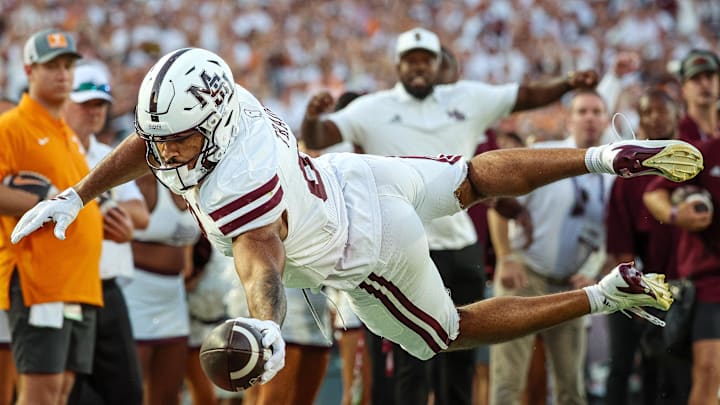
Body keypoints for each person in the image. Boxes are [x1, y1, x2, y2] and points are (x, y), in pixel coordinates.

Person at [10, 47, 702, 393]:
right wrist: (77, 193)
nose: (168, 151)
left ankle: (606, 293)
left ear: (213, 123)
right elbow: (149, 144)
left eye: (182, 139)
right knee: (470, 177)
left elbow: (261, 257)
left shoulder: (234, 186)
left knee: (449, 333)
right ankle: (605, 154)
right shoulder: (223, 106)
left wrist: (266, 326)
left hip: (370, 250)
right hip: (360, 179)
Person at [301, 26, 602, 405]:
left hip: (460, 246)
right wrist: (313, 117)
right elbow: (317, 138)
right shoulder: (372, 107)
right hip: (402, 251)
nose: (419, 68)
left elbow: (523, 95)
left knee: (461, 357)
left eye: (426, 60)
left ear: (439, 64)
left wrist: (568, 82)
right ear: (398, 66)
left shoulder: (466, 98)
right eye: (411, 61)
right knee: (411, 362)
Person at [487, 89, 615, 405]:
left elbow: (609, 236)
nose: (589, 118)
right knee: (508, 378)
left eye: (597, 111)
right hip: (527, 274)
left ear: (605, 120)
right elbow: (499, 205)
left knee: (572, 385)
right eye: (582, 111)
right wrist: (505, 258)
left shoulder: (613, 171)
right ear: (568, 119)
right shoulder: (545, 154)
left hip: (571, 285)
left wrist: (594, 272)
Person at [0, 28, 104, 405]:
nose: (63, 73)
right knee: (40, 393)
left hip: (78, 284)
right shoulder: (11, 126)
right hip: (40, 280)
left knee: (60, 390)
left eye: (67, 66)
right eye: (52, 66)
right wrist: (40, 201)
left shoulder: (67, 133)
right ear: (29, 70)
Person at [62, 61, 147, 405]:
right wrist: (101, 215)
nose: (95, 112)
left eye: (100, 104)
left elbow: (140, 214)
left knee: (127, 390)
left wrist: (103, 216)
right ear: (65, 102)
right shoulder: (53, 150)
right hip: (66, 289)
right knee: (69, 392)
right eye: (86, 103)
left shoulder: (105, 155)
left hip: (108, 288)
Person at [604, 88, 692, 404]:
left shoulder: (694, 166)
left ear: (677, 116)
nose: (655, 118)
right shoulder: (628, 176)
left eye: (661, 110)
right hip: (641, 284)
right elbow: (621, 245)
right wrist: (639, 294)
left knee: (677, 374)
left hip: (689, 286)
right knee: (622, 367)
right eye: (647, 112)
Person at [644, 127, 720, 404]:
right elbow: (654, 194)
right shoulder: (708, 153)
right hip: (712, 283)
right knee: (709, 371)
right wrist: (676, 214)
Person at [123, 171, 200, 405]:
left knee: (168, 393)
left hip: (173, 295)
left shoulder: (197, 181)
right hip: (134, 291)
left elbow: (187, 257)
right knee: (130, 390)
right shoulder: (144, 180)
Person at [677, 49, 720, 144]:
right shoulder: (676, 134)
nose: (704, 84)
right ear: (683, 89)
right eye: (695, 78)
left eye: (709, 76)